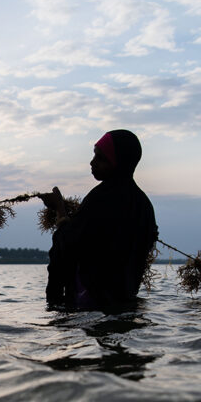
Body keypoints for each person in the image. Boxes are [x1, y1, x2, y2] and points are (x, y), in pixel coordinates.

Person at [40, 129, 158, 311]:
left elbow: (68, 244)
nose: (92, 163)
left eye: (100, 158)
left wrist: (60, 209)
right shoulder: (144, 205)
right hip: (125, 302)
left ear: (118, 162)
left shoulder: (100, 198)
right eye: (94, 156)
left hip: (90, 303)